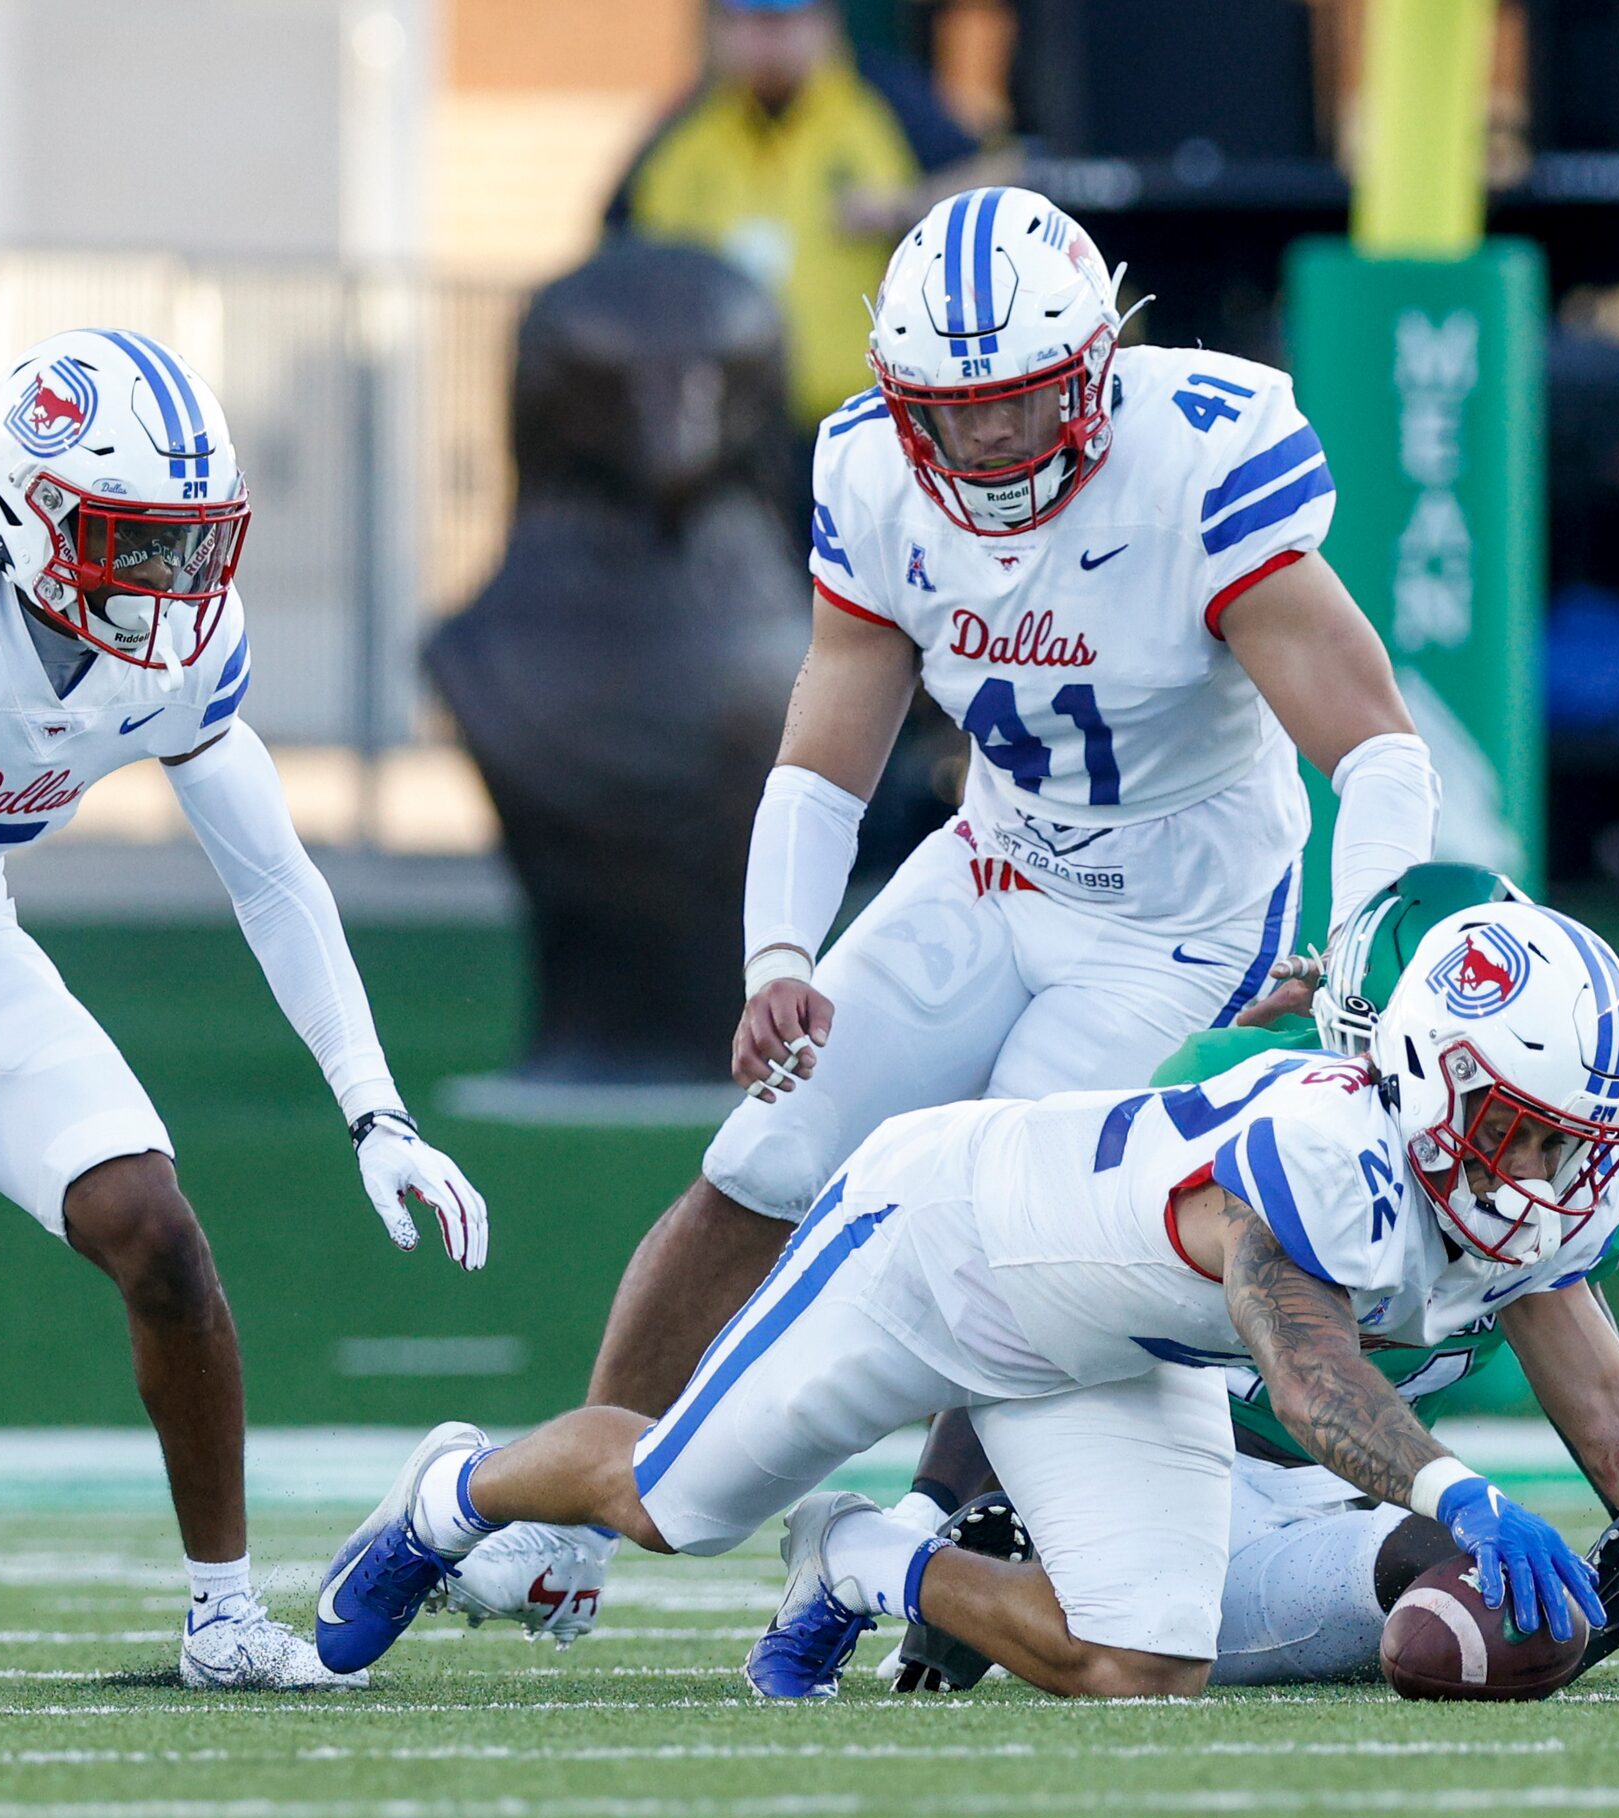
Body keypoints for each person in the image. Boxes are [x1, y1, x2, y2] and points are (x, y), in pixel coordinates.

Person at [440, 185, 1445, 1641]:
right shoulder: (868, 469)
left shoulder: (1199, 461)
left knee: (1020, 1243)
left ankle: (909, 1538)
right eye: (952, 406)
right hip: (995, 861)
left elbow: (1378, 749)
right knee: (760, 1161)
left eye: (1021, 402)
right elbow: (829, 732)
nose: (983, 439)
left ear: (1097, 365)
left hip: (1183, 911)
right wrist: (777, 951)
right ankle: (569, 1534)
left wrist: (1363, 970)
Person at [315, 905, 1619, 1701]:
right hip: (937, 1242)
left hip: (1107, 1348)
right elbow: (1308, 1381)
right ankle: (451, 1491)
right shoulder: (1323, 1138)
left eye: (1576, 1140)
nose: (1544, 1171)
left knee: (1140, 1669)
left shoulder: (1515, 1199)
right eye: (1519, 1127)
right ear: (1431, 1083)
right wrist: (1452, 1485)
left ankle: (869, 1552)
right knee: (671, 1500)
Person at [0, 330, 490, 1689]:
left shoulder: (172, 649)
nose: (175, 584)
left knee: (155, 1232)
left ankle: (224, 1614)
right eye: (134, 541)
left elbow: (275, 880)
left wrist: (373, 1108)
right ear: (29, 516)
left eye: (190, 544)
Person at [875, 862, 1619, 1691]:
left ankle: (1022, 1569)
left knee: (1462, 1599)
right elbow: (1043, 1299)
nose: (1526, 1163)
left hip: (1350, 1491)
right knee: (1178, 1629)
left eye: (1541, 1122)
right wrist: (928, 1504)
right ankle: (984, 1565)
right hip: (1165, 1451)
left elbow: (1607, 1403)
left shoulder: (1529, 1173)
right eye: (1493, 1099)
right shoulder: (1257, 1103)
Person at [607, 0, 1017, 430]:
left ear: (825, 24)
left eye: (783, 22)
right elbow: (617, 245)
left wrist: (909, 205)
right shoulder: (683, 128)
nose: (768, 43)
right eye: (750, 24)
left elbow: (1004, 170)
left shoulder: (882, 99)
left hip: (866, 413)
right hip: (720, 424)